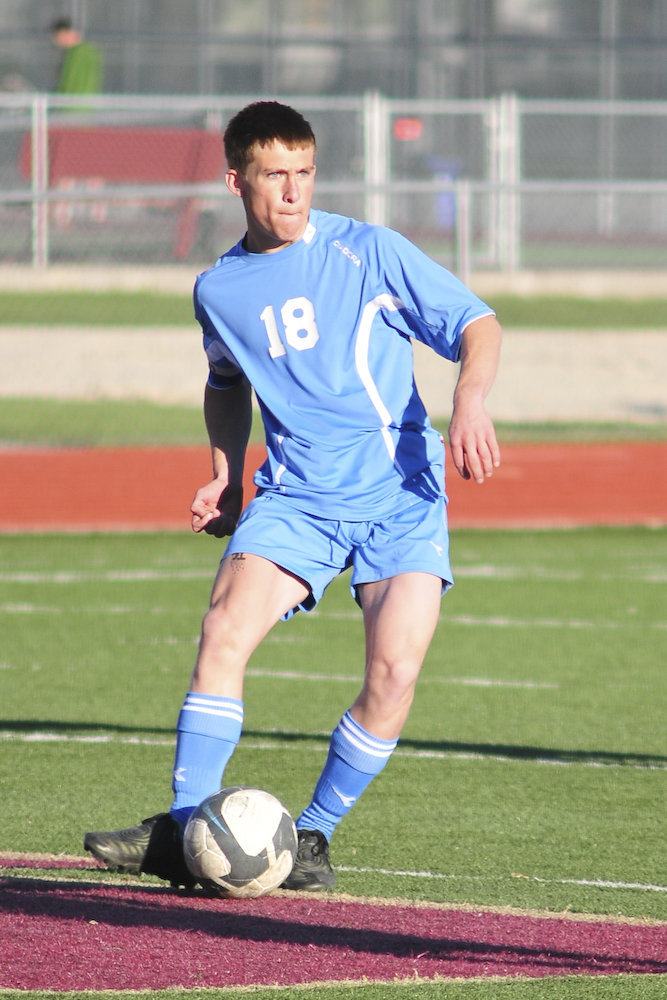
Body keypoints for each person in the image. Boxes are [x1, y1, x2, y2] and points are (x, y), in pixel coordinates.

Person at [84, 101, 502, 892]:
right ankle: (180, 826)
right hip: (297, 499)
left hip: (399, 497)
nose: (292, 191)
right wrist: (224, 470)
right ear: (235, 177)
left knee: (395, 673)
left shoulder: (366, 251)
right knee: (224, 627)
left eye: (304, 173)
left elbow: (477, 324)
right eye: (274, 174)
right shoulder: (219, 290)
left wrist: (470, 399)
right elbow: (225, 383)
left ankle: (310, 838)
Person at [50, 17, 103, 95]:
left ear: (63, 33)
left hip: (74, 103)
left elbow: (70, 82)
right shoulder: (90, 51)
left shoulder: (76, 54)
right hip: (87, 102)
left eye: (56, 38)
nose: (56, 42)